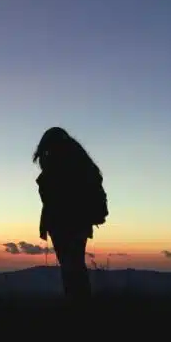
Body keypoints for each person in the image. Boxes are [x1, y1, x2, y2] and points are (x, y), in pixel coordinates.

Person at [32, 126, 109, 303]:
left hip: (63, 223)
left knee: (70, 267)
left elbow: (51, 197)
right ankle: (80, 304)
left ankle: (76, 305)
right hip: (79, 223)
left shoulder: (58, 165)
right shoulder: (81, 163)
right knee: (75, 265)